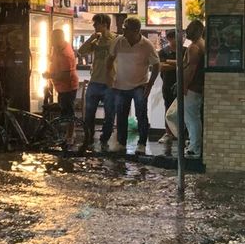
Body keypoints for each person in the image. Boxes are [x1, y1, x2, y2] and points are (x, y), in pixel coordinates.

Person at [110, 17, 160, 154]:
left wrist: (150, 85)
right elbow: (110, 59)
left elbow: (156, 65)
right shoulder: (118, 41)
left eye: (126, 29)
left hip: (140, 85)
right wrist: (109, 78)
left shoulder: (146, 45)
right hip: (120, 85)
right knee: (121, 115)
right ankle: (121, 143)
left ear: (136, 31)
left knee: (141, 115)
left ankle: (142, 144)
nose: (124, 32)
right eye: (124, 29)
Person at [76, 13, 117, 152]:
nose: (94, 26)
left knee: (109, 114)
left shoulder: (115, 40)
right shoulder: (96, 40)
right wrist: (91, 38)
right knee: (89, 114)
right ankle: (88, 138)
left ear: (104, 24)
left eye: (96, 23)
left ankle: (104, 139)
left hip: (109, 83)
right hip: (94, 81)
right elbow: (81, 51)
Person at [45, 27, 79, 147]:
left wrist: (50, 75)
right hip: (61, 87)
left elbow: (65, 76)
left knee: (68, 112)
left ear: (59, 39)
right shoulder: (57, 48)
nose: (50, 41)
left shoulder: (66, 54)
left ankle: (70, 136)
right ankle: (65, 134)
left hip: (68, 87)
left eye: (52, 39)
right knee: (65, 110)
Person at [182, 20, 206, 158]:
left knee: (191, 117)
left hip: (192, 87)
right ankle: (193, 143)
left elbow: (191, 69)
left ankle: (194, 148)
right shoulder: (202, 44)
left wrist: (184, 85)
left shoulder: (194, 47)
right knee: (193, 116)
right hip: (197, 86)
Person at [157, 30, 179, 154]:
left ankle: (184, 134)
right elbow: (161, 67)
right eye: (176, 37)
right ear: (170, 38)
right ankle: (168, 133)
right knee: (168, 109)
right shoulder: (163, 52)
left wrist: (169, 63)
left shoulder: (185, 50)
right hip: (168, 84)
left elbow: (187, 65)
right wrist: (178, 64)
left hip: (183, 84)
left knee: (183, 110)